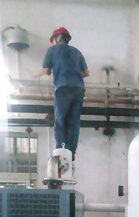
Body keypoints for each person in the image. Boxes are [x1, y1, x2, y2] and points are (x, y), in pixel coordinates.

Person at [40, 27, 89, 161]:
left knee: (60, 119)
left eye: (54, 39)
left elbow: (47, 71)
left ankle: (61, 150)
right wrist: (73, 74)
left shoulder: (52, 50)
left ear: (59, 37)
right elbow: (86, 73)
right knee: (73, 122)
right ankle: (71, 152)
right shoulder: (76, 52)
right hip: (79, 89)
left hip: (63, 88)